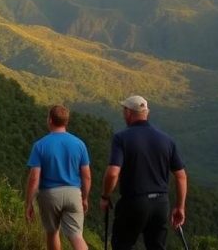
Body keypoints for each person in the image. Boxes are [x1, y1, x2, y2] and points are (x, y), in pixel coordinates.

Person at [99, 96, 187, 250]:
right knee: (156, 246)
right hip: (161, 204)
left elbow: (113, 173)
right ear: (147, 113)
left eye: (123, 110)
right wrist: (180, 207)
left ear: (128, 113)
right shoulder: (166, 140)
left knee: (122, 245)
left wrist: (105, 196)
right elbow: (181, 176)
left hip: (134, 202)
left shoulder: (121, 138)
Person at [25, 105, 91, 250]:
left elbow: (34, 178)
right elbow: (86, 176)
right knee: (76, 236)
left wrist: (29, 203)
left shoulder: (40, 145)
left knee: (52, 232)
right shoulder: (79, 144)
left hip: (49, 194)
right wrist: (85, 197)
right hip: (73, 193)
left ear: (50, 120)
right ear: (66, 122)